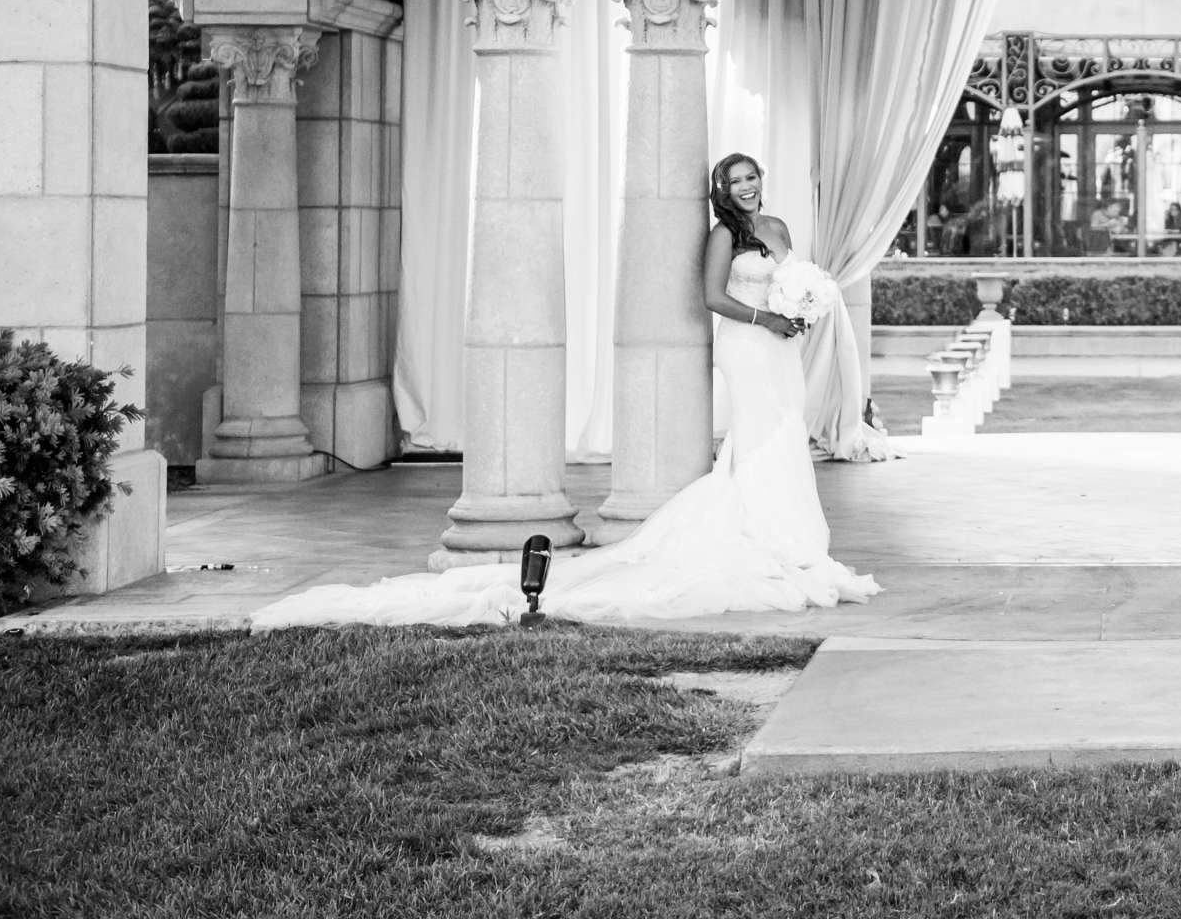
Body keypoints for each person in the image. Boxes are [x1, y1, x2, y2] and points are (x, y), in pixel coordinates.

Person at [249, 153, 881, 627]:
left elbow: (790, 281)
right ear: (722, 191)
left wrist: (797, 310)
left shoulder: (777, 226)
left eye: (751, 178)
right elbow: (713, 297)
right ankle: (771, 539)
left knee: (785, 430)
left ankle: (794, 536)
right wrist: (763, 318)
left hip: (782, 345)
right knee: (759, 435)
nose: (746, 188)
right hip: (749, 344)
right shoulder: (725, 236)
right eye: (735, 181)